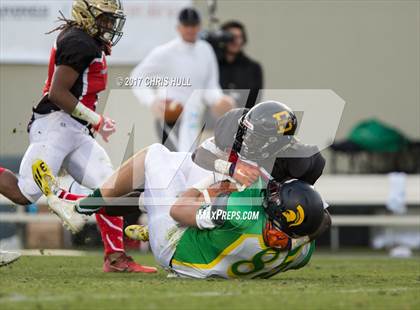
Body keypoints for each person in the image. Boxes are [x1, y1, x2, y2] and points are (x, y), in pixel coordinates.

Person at [0, 0, 156, 273]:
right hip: (55, 126)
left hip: (75, 129)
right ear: (86, 14)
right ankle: (62, 196)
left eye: (111, 19)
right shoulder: (79, 42)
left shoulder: (85, 39)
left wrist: (91, 124)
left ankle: (116, 259)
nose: (109, 25)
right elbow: (57, 94)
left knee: (108, 187)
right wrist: (98, 120)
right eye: (104, 18)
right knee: (26, 193)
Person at [32, 143, 330, 279]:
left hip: (175, 249)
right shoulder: (300, 252)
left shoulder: (243, 214)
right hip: (222, 254)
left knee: (155, 155)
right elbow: (321, 221)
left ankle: (80, 207)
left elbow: (179, 210)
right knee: (184, 170)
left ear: (277, 212)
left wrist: (214, 185)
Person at [131, 7, 234, 152]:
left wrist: (219, 100)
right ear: (178, 28)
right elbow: (137, 76)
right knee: (176, 163)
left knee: (190, 161)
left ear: (199, 27)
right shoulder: (166, 52)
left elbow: (210, 85)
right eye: (186, 26)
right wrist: (151, 101)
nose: (190, 30)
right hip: (171, 117)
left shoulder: (206, 50)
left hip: (194, 118)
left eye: (193, 26)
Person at [192, 101, 326, 187]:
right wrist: (231, 169)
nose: (244, 138)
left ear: (274, 142)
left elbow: (320, 218)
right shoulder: (232, 125)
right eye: (245, 131)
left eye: (254, 137)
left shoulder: (297, 162)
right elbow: (198, 154)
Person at [219, 21, 263, 109]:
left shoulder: (253, 68)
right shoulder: (214, 65)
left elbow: (254, 99)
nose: (236, 41)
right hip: (214, 118)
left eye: (239, 37)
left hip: (242, 117)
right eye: (231, 37)